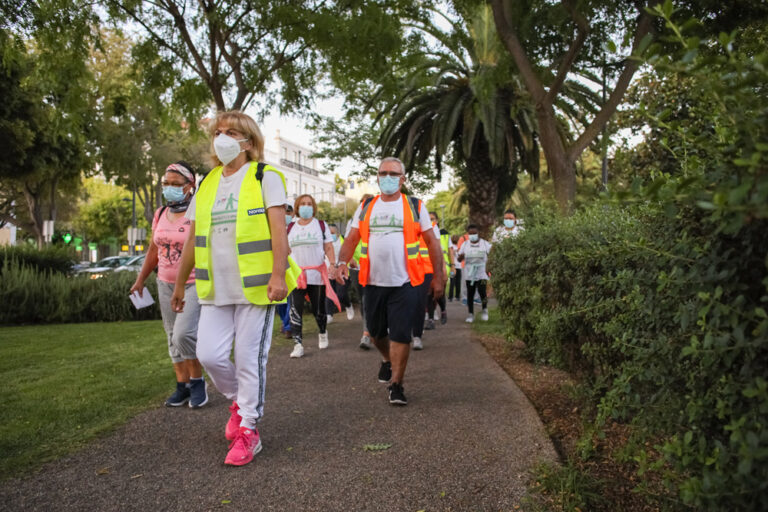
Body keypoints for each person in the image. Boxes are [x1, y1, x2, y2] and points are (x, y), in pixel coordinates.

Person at [171, 110, 300, 467]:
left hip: (257, 289)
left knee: (248, 359)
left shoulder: (265, 177)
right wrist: (181, 284)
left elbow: (278, 232)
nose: (222, 138)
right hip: (216, 289)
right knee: (210, 355)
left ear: (249, 140)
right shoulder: (209, 181)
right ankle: (241, 402)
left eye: (231, 132)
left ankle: (249, 429)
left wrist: (277, 274)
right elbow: (193, 238)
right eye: (218, 132)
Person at [335, 157, 444, 405]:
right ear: (377, 177)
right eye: (383, 173)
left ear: (403, 179)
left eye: (393, 174)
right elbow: (351, 239)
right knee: (375, 333)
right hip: (372, 282)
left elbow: (433, 244)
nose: (387, 177)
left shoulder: (415, 206)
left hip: (406, 282)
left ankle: (396, 384)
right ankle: (386, 359)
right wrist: (341, 262)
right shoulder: (365, 206)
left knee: (401, 333)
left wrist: (439, 276)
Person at [130, 161, 207, 408]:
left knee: (184, 334)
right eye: (166, 184)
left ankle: (198, 382)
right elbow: (153, 249)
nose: (170, 188)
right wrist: (141, 279)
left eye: (176, 184)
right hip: (164, 282)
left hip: (193, 283)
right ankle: (181, 386)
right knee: (172, 336)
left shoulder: (199, 212)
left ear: (190, 186)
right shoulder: (160, 213)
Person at [286, 194, 339, 358]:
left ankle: (322, 332)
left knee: (318, 309)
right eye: (302, 204)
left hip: (316, 274)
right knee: (295, 310)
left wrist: (332, 264)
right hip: (297, 275)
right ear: (297, 207)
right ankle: (298, 344)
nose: (306, 206)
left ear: (314, 207)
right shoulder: (290, 228)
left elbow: (329, 247)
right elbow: (285, 250)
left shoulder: (320, 226)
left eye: (309, 204)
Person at [346, 194, 374, 350]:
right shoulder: (352, 221)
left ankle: (367, 333)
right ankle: (368, 327)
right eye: (363, 202)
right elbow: (349, 240)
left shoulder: (375, 220)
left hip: (373, 266)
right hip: (356, 266)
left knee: (370, 298)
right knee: (363, 299)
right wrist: (349, 258)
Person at [457, 224, 491, 323]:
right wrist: (461, 256)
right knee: (470, 294)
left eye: (474, 233)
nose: (472, 235)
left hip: (481, 272)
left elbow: (492, 253)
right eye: (470, 233)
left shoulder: (484, 244)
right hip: (469, 273)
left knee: (482, 292)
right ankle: (470, 314)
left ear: (478, 233)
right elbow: (459, 259)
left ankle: (484, 310)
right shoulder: (465, 244)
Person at [326, 223, 355, 322]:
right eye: (328, 233)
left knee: (341, 294)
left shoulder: (343, 240)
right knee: (329, 293)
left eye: (332, 233)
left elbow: (349, 251)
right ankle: (329, 314)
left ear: (337, 233)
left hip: (342, 271)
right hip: (329, 271)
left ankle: (348, 305)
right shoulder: (325, 242)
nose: (331, 235)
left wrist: (350, 260)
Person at [276, 204, 295, 338]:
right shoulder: (274, 226)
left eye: (289, 212)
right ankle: (284, 321)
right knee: (280, 302)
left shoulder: (295, 227)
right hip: (278, 267)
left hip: (293, 268)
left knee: (290, 299)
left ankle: (288, 327)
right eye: (284, 212)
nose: (286, 215)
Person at [448, 234, 462, 302]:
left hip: (452, 267)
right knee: (458, 282)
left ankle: (450, 297)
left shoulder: (450, 247)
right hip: (459, 267)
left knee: (452, 282)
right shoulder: (459, 248)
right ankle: (457, 296)